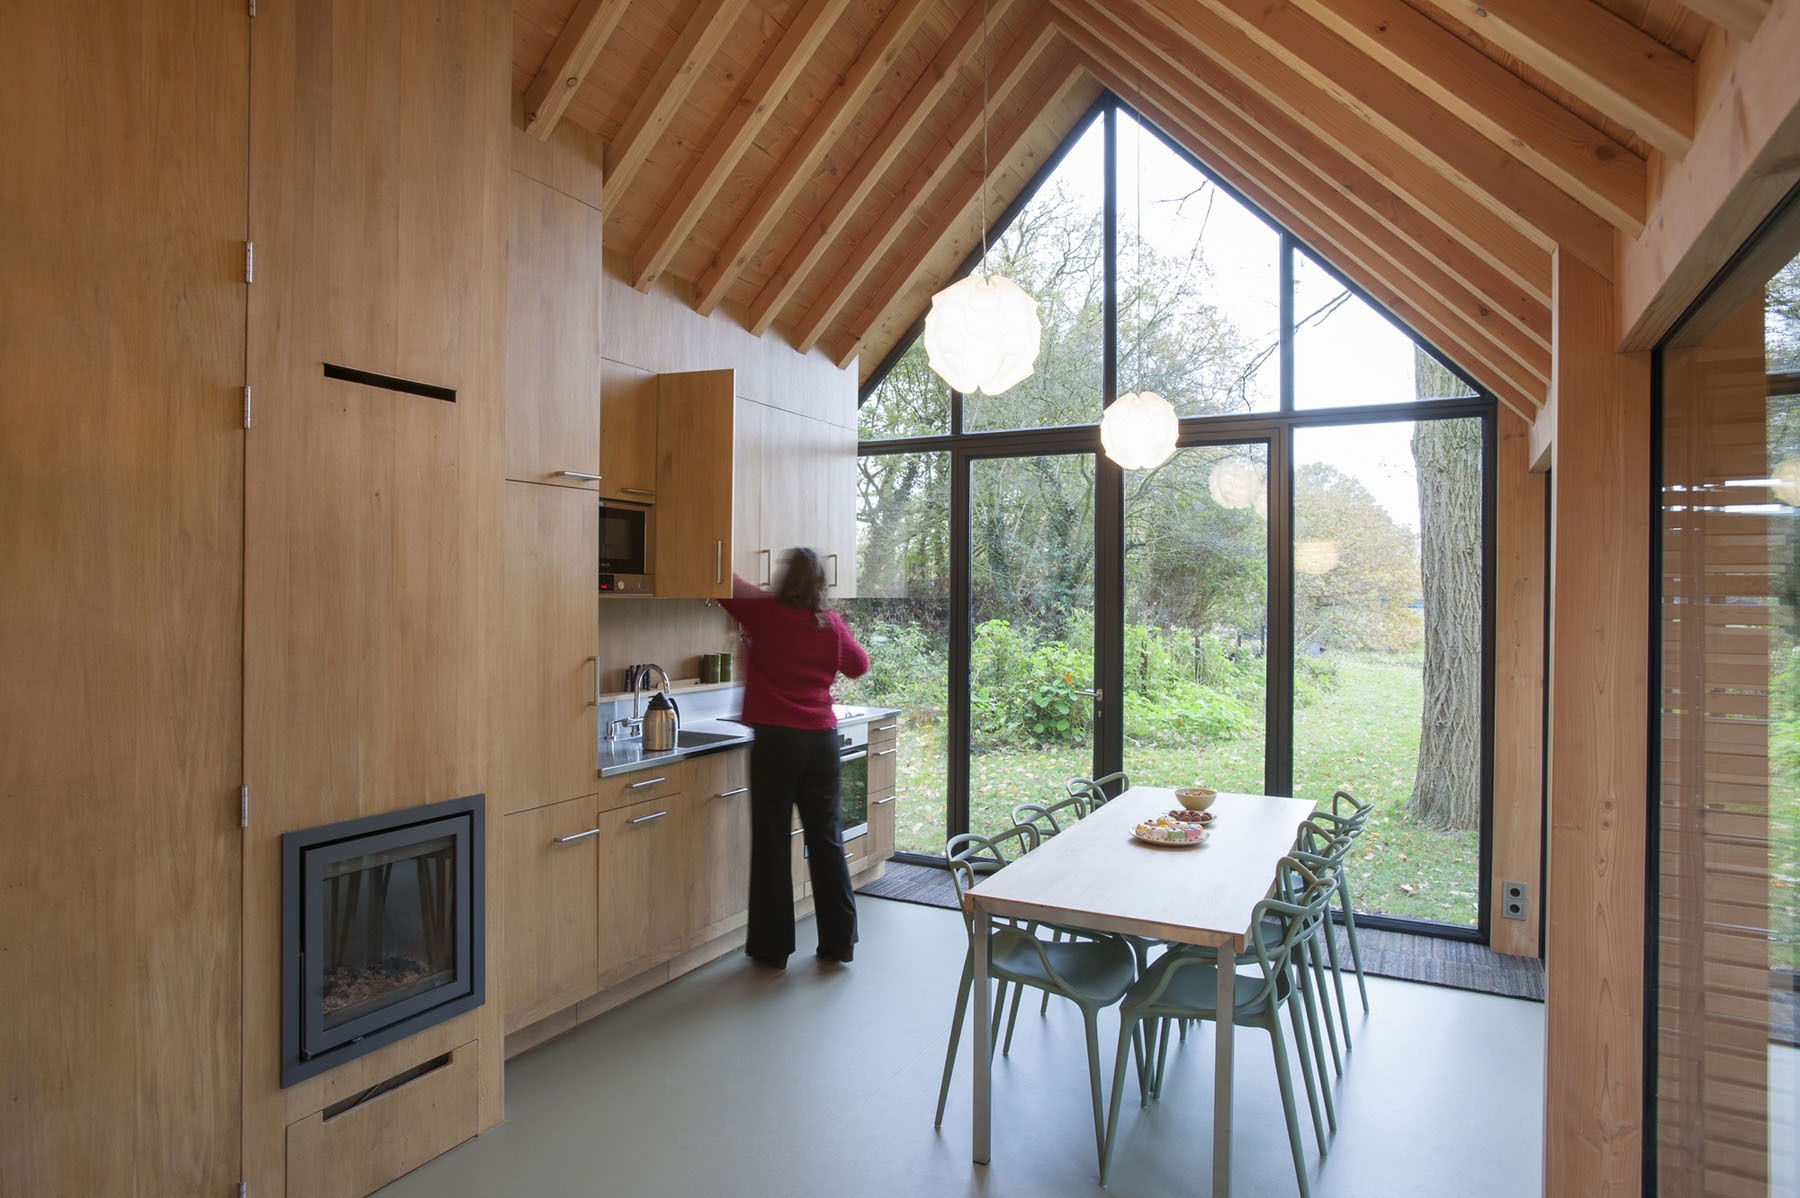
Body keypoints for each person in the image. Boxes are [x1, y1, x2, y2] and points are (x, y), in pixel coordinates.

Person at [720, 548, 870, 969]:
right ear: (822, 583)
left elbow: (723, 581)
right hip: (820, 742)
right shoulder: (830, 625)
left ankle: (772, 950)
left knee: (771, 844)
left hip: (776, 743)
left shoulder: (762, 611)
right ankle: (839, 943)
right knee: (826, 840)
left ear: (783, 577)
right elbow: (860, 666)